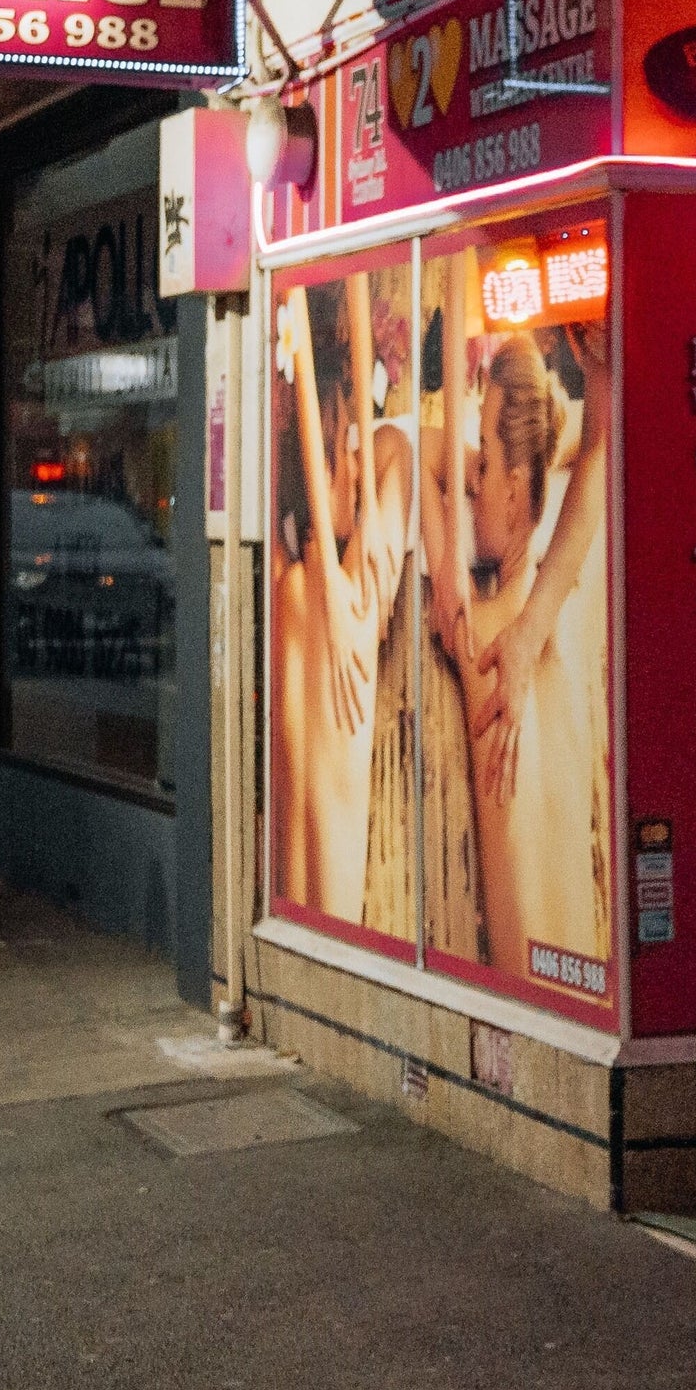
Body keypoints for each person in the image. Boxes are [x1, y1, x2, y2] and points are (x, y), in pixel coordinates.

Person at [436, 319, 612, 989]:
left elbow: (401, 450)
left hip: (529, 1001)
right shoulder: (560, 618)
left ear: (513, 483)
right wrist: (595, 373)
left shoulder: (483, 640)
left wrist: (442, 541)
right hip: (583, 984)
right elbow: (594, 458)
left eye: (480, 462)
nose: (469, 482)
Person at [270, 280, 407, 928]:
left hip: (287, 913)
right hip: (338, 919)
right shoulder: (353, 600)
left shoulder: (283, 586)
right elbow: (394, 454)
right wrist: (373, 510)